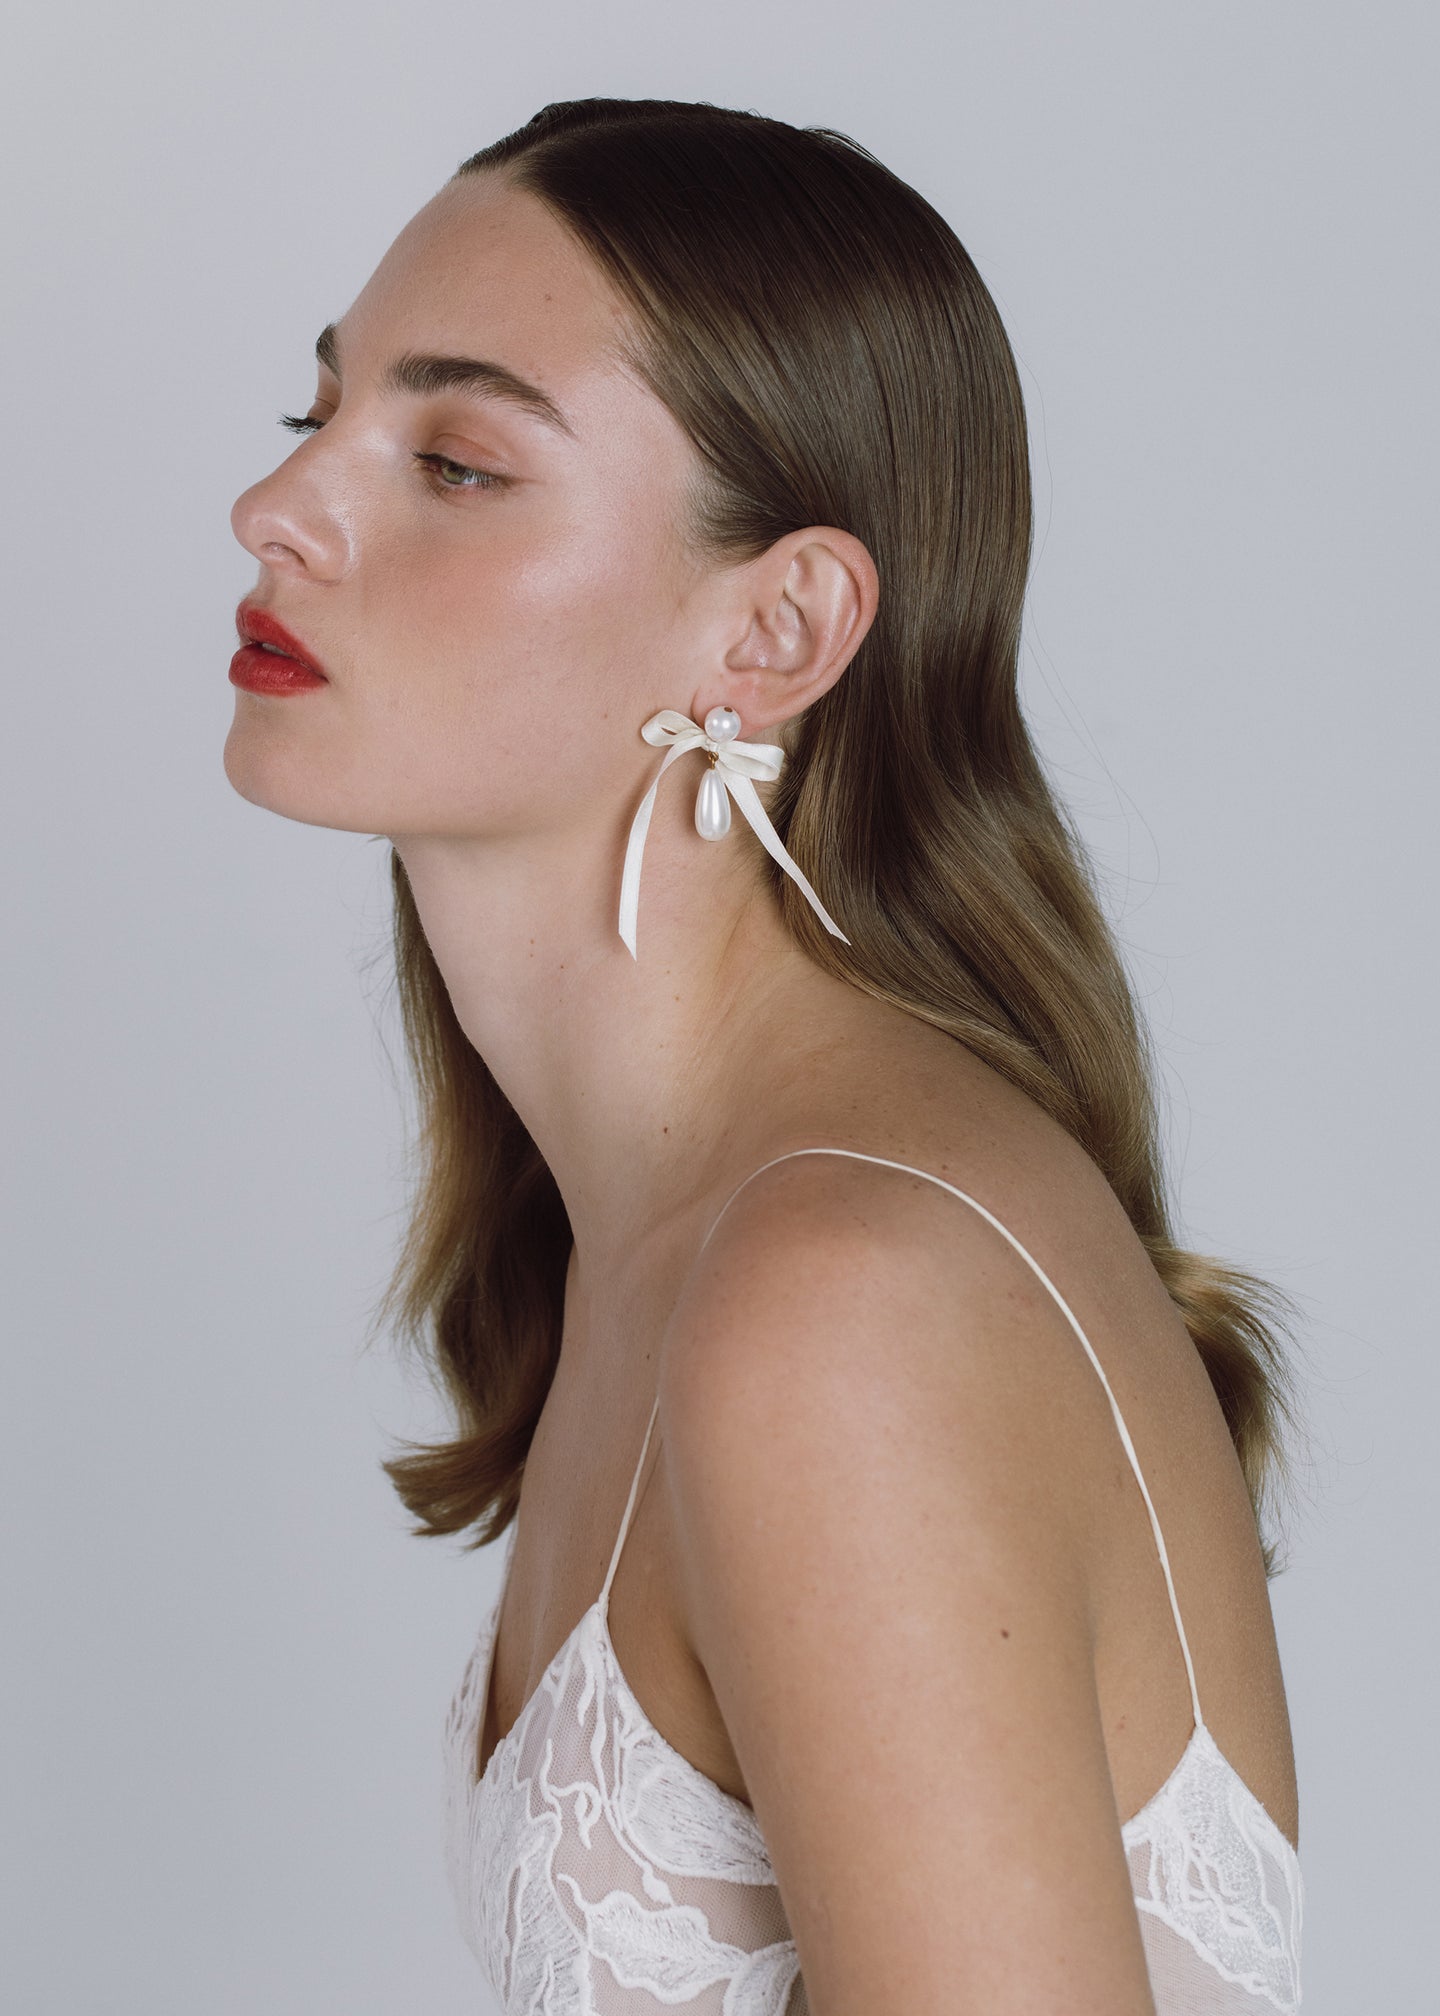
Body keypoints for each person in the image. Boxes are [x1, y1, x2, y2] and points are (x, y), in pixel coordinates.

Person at [225, 96, 1305, 2015]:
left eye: (456, 461)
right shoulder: (674, 1234)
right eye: (314, 412)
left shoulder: (836, 1295)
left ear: (780, 625)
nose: (279, 507)